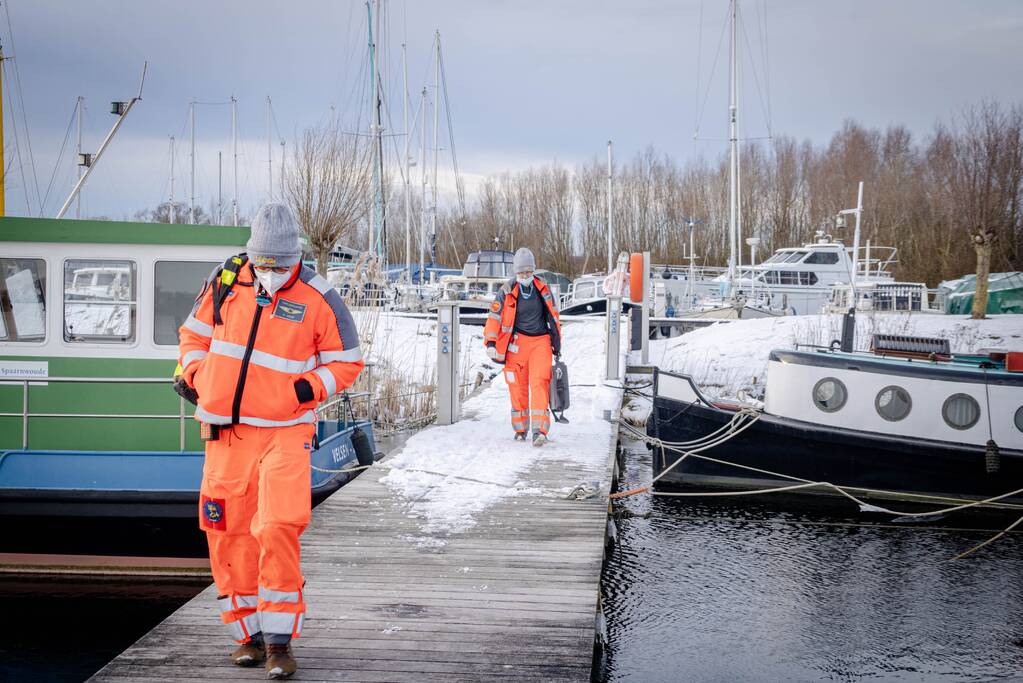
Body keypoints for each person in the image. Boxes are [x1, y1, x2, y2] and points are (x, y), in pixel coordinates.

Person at [176, 203, 364, 679]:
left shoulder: (320, 297)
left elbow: (348, 361)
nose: (271, 274)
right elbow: (192, 336)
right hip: (227, 432)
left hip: (284, 432)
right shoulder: (225, 281)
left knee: (278, 526)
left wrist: (304, 389)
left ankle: (280, 643)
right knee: (226, 532)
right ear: (251, 256)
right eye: (263, 265)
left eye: (280, 266)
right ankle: (248, 637)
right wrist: (194, 374)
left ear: (295, 257)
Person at [483, 247, 561, 446]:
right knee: (516, 387)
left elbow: (554, 317)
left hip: (541, 343)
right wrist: (491, 342)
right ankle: (520, 429)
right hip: (517, 345)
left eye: (528, 272)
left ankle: (540, 431)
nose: (525, 276)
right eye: (521, 272)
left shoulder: (543, 289)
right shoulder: (506, 291)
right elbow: (494, 317)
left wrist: (556, 343)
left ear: (533, 271)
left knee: (540, 384)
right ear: (515, 272)